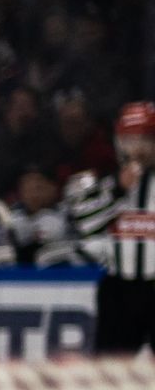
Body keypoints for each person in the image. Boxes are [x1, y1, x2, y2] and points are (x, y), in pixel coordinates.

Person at [60, 100, 155, 355]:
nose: (139, 148)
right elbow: (85, 225)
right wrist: (117, 189)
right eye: (131, 139)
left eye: (146, 139)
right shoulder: (95, 180)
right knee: (111, 368)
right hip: (119, 289)